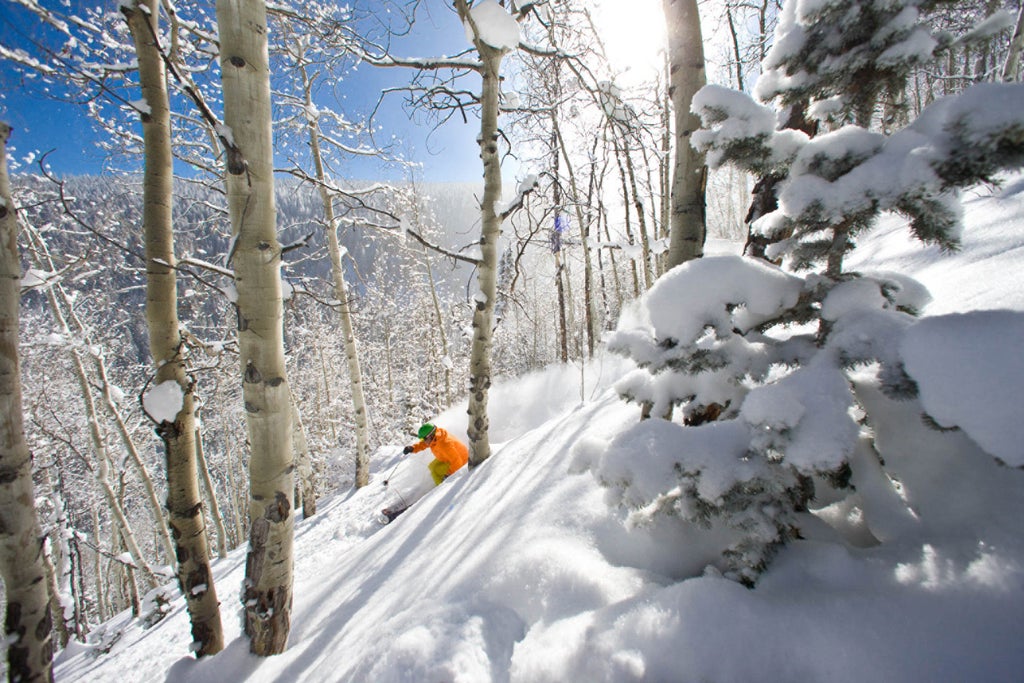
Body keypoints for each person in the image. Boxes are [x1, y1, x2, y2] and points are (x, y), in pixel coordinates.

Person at [403, 422, 468, 485]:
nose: (423, 441)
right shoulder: (435, 438)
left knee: (435, 471)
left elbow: (457, 462)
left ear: (430, 436)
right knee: (431, 466)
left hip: (462, 460)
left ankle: (443, 487)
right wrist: (413, 448)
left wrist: (449, 475)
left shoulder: (444, 444)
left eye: (423, 439)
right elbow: (424, 444)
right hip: (448, 457)